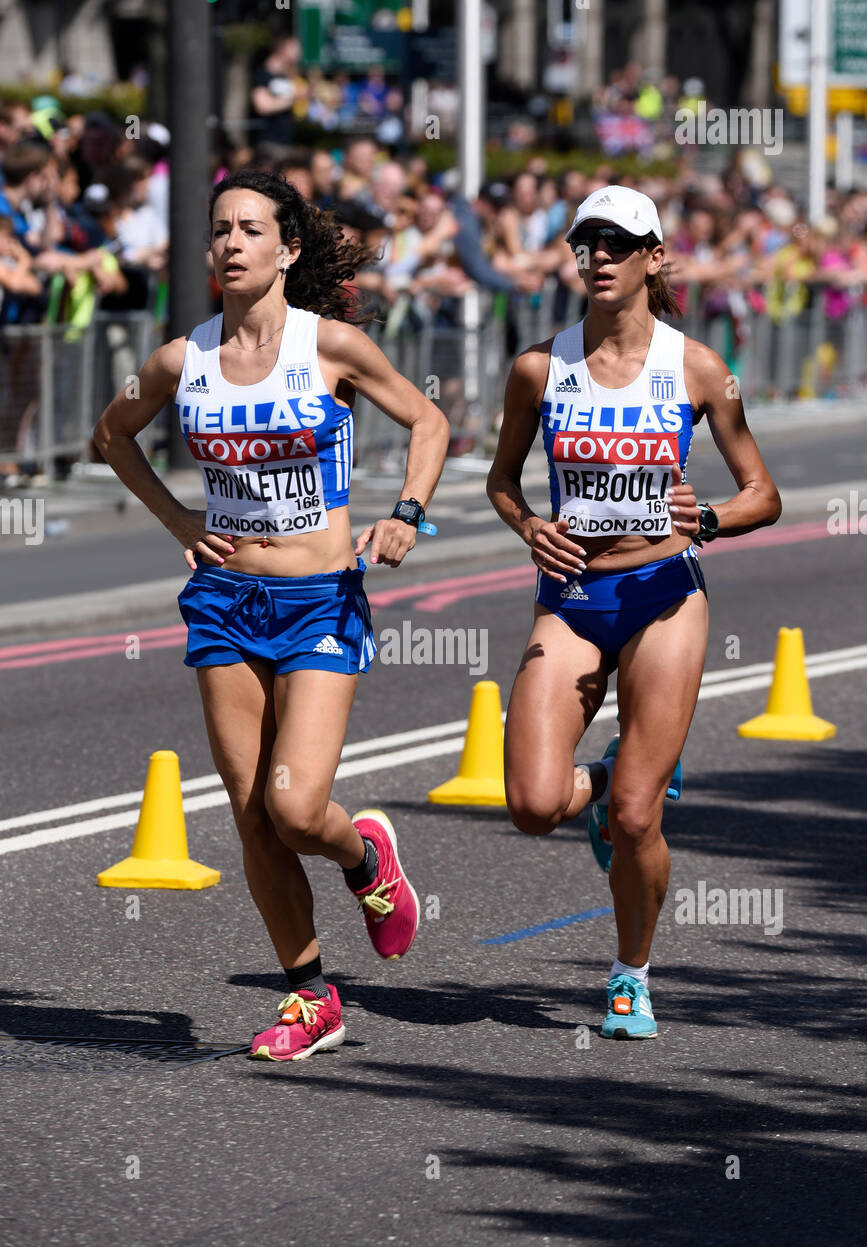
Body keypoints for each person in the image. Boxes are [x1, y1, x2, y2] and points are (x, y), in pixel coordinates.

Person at [94, 169, 449, 1061]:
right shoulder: (184, 359)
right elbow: (110, 436)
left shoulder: (328, 347)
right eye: (219, 230)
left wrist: (405, 514)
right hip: (224, 600)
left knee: (296, 809)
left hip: (320, 599)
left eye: (250, 229)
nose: (230, 244)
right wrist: (179, 519)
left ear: (287, 250)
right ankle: (311, 998)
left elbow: (428, 420)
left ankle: (366, 858)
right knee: (251, 813)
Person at [487, 185, 781, 1040]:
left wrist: (712, 519)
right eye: (589, 243)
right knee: (533, 804)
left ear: (655, 258)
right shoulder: (540, 368)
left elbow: (763, 493)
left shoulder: (693, 367)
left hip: (662, 596)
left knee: (636, 817)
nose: (601, 257)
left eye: (621, 243)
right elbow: (501, 482)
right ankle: (609, 774)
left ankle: (629, 974)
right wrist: (529, 526)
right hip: (573, 598)